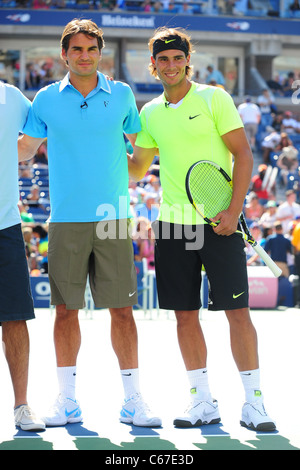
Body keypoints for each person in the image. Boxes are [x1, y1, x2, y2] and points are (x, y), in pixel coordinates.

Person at [128, 27, 276, 432]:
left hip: (220, 223)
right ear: (153, 64)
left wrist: (233, 210)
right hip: (173, 228)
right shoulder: (150, 112)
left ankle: (254, 404)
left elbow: (243, 155)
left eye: (178, 58)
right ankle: (203, 402)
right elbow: (136, 168)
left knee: (237, 313)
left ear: (187, 60)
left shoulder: (214, 98)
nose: (171, 65)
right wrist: (96, 147)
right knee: (184, 316)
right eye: (163, 59)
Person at [18, 19, 161, 428]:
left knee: (122, 312)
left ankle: (134, 401)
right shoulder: (44, 99)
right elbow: (25, 151)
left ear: (100, 53)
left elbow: (141, 146)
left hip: (113, 220)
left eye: (91, 49)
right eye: (76, 50)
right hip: (64, 220)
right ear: (64, 54)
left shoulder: (122, 94)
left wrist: (133, 172)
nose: (84, 56)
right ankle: (67, 401)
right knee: (64, 312)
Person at [0, 80, 45, 431]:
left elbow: (32, 142)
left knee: (15, 320)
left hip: (5, 226)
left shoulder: (10, 96)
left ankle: (21, 406)